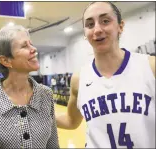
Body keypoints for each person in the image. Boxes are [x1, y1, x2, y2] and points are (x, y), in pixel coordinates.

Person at [56, 2, 155, 148]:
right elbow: (71, 120)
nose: (97, 29)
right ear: (85, 34)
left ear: (120, 26)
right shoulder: (79, 79)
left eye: (105, 21)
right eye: (90, 25)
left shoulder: (150, 67)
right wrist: (37, 115)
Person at [0, 25, 59, 148]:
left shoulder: (46, 94)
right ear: (5, 61)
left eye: (31, 44)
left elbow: (52, 144)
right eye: (24, 46)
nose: (33, 49)